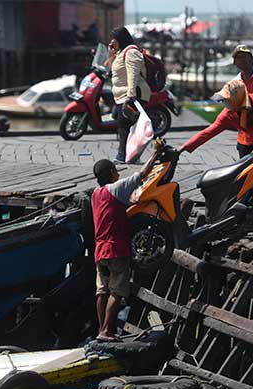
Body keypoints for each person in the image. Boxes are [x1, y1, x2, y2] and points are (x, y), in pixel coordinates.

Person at [92, 151, 158, 341]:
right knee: (117, 291)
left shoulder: (96, 194)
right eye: (116, 171)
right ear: (112, 172)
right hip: (116, 249)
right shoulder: (117, 188)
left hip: (100, 251)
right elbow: (142, 174)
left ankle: (101, 330)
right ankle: (106, 331)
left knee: (102, 291)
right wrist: (154, 155)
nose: (118, 174)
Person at [178, 79, 253, 155]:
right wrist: (184, 147)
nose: (224, 103)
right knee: (252, 174)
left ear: (237, 98)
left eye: (226, 100)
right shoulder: (228, 114)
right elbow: (208, 132)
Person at [105, 27, 151, 163]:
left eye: (114, 40)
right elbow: (111, 70)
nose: (112, 42)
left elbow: (133, 73)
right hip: (121, 95)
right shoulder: (120, 53)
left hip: (133, 94)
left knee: (125, 124)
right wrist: (111, 53)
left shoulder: (131, 52)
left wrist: (131, 94)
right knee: (124, 125)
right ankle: (128, 155)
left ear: (120, 39)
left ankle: (124, 155)